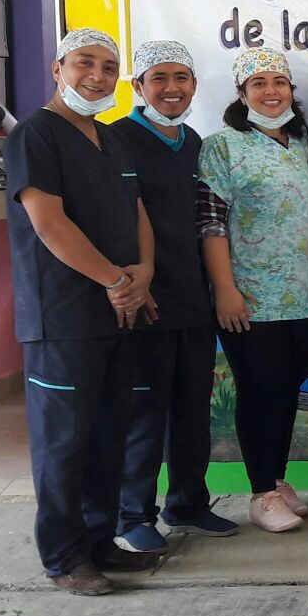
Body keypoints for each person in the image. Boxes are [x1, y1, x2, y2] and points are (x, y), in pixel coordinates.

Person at [4, 28, 159, 595]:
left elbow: (136, 210)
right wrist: (116, 280)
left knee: (107, 434)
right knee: (63, 444)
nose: (97, 76)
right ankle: (65, 558)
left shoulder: (110, 139)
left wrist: (143, 273)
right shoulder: (34, 135)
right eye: (84, 63)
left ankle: (99, 543)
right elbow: (48, 223)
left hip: (118, 312)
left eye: (108, 66)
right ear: (57, 69)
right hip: (63, 318)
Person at [110, 40, 240, 553]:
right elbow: (113, 219)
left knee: (192, 411)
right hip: (144, 302)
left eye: (181, 77)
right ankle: (132, 516)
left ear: (193, 86)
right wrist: (130, 285)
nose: (171, 88)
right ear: (138, 86)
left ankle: (187, 504)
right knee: (144, 414)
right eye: (159, 78)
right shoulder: (115, 139)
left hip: (193, 301)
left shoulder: (193, 143)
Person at [197, 48, 308, 533]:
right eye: (259, 84)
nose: (271, 91)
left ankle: (276, 478)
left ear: (291, 90)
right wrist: (224, 289)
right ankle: (260, 494)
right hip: (250, 298)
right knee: (260, 391)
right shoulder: (223, 147)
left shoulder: (306, 146)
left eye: (279, 82)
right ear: (241, 93)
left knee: (288, 391)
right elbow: (211, 224)